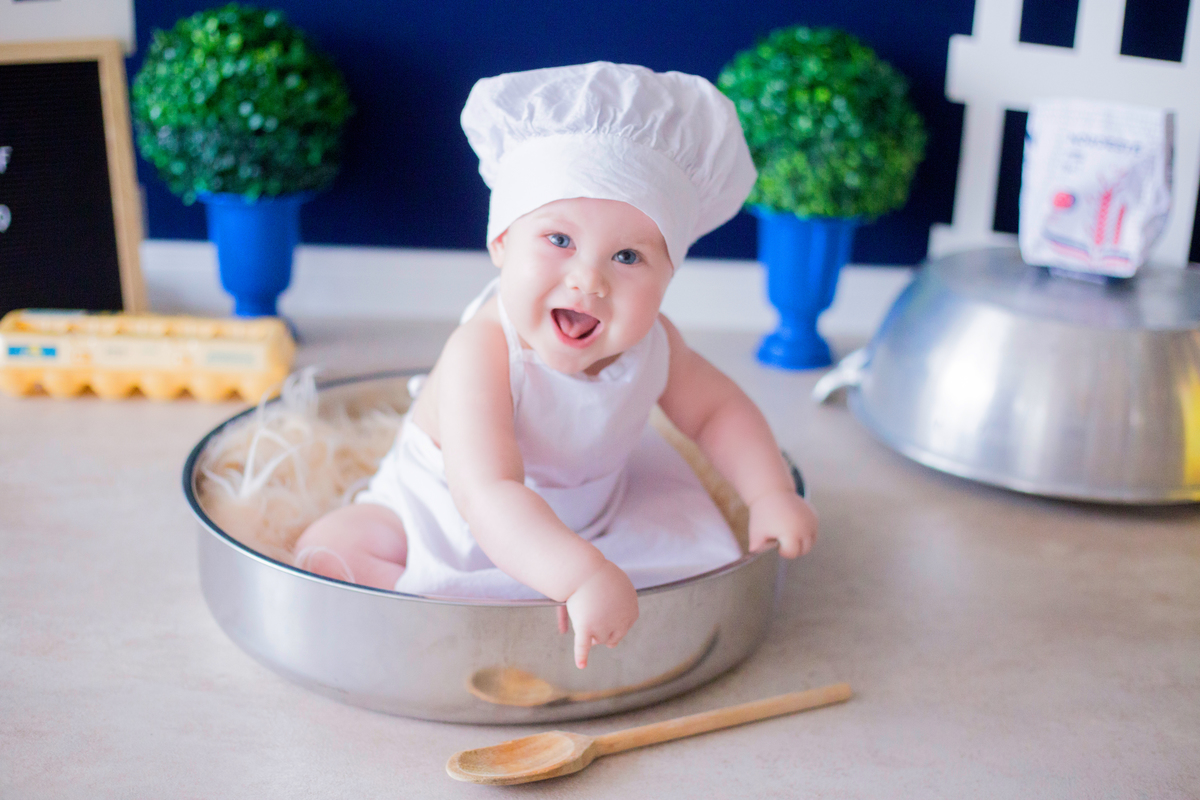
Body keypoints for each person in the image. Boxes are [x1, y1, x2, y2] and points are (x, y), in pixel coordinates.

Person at [294, 62, 818, 668]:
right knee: (340, 546)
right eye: (559, 241)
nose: (588, 279)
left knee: (692, 566)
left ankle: (580, 585)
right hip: (448, 513)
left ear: (670, 276)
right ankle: (428, 594)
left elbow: (718, 411)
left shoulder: (656, 344)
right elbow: (489, 491)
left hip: (595, 511)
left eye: (628, 256)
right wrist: (580, 574)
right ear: (501, 243)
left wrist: (769, 491)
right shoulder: (483, 350)